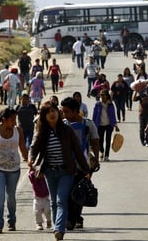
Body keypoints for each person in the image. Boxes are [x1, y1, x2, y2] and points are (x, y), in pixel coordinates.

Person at [28, 101, 90, 241]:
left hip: (66, 171)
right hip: (50, 171)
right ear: (44, 116)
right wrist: (31, 159)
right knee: (54, 202)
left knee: (61, 200)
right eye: (48, 112)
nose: (52, 113)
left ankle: (59, 230)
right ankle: (58, 226)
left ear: (58, 113)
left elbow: (77, 150)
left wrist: (86, 168)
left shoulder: (67, 130)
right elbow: (34, 147)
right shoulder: (42, 132)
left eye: (54, 111)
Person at [61, 97, 100, 230]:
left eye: (67, 112)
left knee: (79, 192)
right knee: (67, 193)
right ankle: (72, 218)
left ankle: (74, 218)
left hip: (83, 165)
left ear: (76, 111)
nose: (64, 115)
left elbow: (95, 141)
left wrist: (96, 159)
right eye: (63, 112)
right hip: (66, 165)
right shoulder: (62, 125)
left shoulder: (88, 124)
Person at [92, 89, 120, 162]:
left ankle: (107, 156)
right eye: (101, 95)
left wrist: (115, 125)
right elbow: (94, 116)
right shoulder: (98, 104)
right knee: (100, 141)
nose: (102, 96)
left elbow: (113, 115)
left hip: (109, 125)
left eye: (104, 95)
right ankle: (102, 151)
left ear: (107, 96)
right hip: (100, 125)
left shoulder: (110, 104)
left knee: (108, 140)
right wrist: (93, 125)